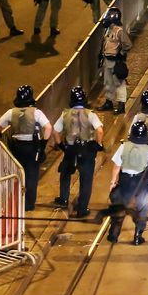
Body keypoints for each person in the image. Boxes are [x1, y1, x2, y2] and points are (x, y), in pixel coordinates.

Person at [0, 84, 53, 212]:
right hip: (32, 147)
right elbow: (48, 127)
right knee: (32, 175)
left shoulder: (11, 112)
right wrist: (43, 144)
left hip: (17, 147)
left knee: (17, 173)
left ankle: (15, 201)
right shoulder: (36, 112)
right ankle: (29, 204)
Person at [53, 85, 104, 218]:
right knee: (86, 180)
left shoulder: (65, 114)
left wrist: (60, 145)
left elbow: (55, 131)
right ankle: (82, 208)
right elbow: (99, 130)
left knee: (65, 172)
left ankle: (64, 198)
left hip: (70, 149)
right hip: (86, 150)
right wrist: (98, 144)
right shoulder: (90, 114)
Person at [107, 119, 148, 245]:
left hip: (125, 181)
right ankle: (137, 236)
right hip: (140, 182)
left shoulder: (123, 147)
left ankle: (113, 235)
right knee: (142, 209)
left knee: (118, 209)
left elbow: (116, 166)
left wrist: (113, 182)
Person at [98, 6, 132, 113]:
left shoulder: (119, 31)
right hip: (107, 60)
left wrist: (121, 54)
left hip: (116, 61)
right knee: (108, 82)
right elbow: (104, 43)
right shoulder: (108, 30)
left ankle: (121, 105)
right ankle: (109, 102)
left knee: (119, 83)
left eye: (109, 16)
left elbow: (128, 44)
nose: (107, 18)